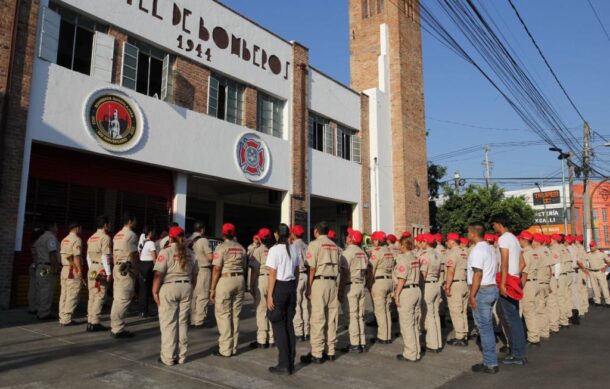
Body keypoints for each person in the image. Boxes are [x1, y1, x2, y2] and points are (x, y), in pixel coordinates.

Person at [153, 226, 198, 366]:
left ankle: (168, 357)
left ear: (170, 238)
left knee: (169, 323)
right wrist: (190, 288)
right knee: (183, 322)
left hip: (169, 286)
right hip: (186, 286)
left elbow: (158, 274)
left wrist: (154, 291)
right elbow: (195, 275)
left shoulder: (166, 252)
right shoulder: (191, 253)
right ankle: (182, 356)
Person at [301, 221, 340, 364]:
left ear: (316, 231)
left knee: (317, 318)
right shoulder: (335, 246)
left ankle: (317, 353)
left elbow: (311, 268)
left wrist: (309, 287)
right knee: (331, 318)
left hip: (319, 282)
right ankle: (330, 351)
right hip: (333, 282)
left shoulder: (314, 244)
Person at [492, 214, 527, 365]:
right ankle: (517, 351)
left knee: (511, 319)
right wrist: (515, 277)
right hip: (514, 279)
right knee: (515, 318)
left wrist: (503, 284)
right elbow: (523, 263)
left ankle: (517, 354)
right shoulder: (514, 238)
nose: (493, 228)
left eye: (493, 225)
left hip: (507, 281)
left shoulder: (503, 239)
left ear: (499, 224)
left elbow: (504, 262)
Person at [266, 224, 300, 375]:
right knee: (288, 325)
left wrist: (269, 296)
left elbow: (272, 274)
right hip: (291, 287)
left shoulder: (274, 250)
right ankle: (290, 362)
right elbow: (297, 270)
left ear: (276, 234)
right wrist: (294, 287)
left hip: (279, 288)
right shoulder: (294, 248)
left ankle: (284, 364)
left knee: (278, 325)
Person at [210, 223, 247, 357]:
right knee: (235, 315)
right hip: (240, 279)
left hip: (226, 280)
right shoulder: (241, 248)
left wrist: (212, 288)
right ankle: (234, 347)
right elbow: (244, 265)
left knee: (223, 314)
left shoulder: (221, 248)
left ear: (223, 233)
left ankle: (225, 349)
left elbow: (216, 269)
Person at [467, 223, 499, 374]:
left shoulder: (478, 249)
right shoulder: (489, 247)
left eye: (468, 232)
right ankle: (490, 359)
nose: (467, 234)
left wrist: (472, 295)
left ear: (473, 234)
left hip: (482, 290)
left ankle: (490, 363)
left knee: (484, 328)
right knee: (487, 327)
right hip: (491, 287)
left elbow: (477, 274)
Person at [339, 228, 368, 353]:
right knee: (360, 316)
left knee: (352, 316)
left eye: (348, 236)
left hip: (350, 286)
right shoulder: (363, 253)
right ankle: (362, 342)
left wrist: (340, 290)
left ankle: (354, 344)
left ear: (351, 239)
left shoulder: (347, 253)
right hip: (361, 285)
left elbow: (344, 273)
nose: (346, 237)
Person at [394, 235, 422, 362]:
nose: (398, 246)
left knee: (407, 324)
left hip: (407, 291)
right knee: (414, 323)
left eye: (399, 244)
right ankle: (416, 351)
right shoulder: (414, 257)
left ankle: (410, 353)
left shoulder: (404, 259)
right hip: (416, 289)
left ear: (403, 245)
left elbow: (402, 278)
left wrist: (396, 294)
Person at [111, 212, 139, 338]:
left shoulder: (117, 235)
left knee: (117, 299)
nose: (135, 222)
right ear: (130, 221)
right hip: (127, 269)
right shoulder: (131, 235)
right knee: (124, 299)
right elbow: (133, 255)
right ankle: (118, 329)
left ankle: (115, 326)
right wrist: (136, 270)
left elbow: (113, 254)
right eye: (134, 220)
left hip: (117, 267)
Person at [249, 227, 275, 348]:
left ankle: (261, 339)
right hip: (273, 278)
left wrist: (251, 285)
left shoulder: (258, 250)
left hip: (262, 279)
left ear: (260, 237)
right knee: (271, 308)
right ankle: (271, 338)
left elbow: (254, 269)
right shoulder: (274, 250)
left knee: (261, 310)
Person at [86, 216, 112, 332]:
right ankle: (95, 322)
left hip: (92, 268)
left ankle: (90, 321)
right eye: (109, 224)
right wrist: (108, 272)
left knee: (92, 295)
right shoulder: (105, 238)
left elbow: (87, 257)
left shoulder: (91, 238)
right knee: (100, 295)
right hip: (101, 267)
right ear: (105, 225)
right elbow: (105, 256)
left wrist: (92, 268)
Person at [369, 231, 395, 344]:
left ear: (378, 240)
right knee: (387, 310)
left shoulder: (377, 251)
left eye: (374, 239)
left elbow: (372, 269)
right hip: (389, 280)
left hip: (379, 281)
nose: (373, 241)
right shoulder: (388, 250)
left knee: (380, 311)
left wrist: (369, 283)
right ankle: (388, 335)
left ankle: (382, 337)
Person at [444, 232, 469, 346]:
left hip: (455, 284)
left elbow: (450, 271)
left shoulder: (452, 253)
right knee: (463, 311)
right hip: (464, 283)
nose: (446, 243)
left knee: (456, 311)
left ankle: (460, 336)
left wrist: (447, 286)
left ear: (452, 241)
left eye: (448, 241)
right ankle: (464, 333)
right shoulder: (463, 252)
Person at [419, 233, 442, 353]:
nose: (420, 243)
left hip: (427, 284)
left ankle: (432, 344)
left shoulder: (425, 255)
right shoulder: (437, 254)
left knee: (429, 315)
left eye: (421, 241)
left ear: (425, 242)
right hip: (436, 284)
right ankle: (437, 342)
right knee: (435, 314)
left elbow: (423, 274)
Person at [32, 223, 60, 320]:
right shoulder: (50, 238)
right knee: (47, 290)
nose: (57, 228)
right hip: (48, 266)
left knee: (41, 289)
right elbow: (52, 253)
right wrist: (55, 267)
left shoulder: (40, 238)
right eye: (56, 226)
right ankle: (44, 313)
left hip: (41, 266)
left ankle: (40, 310)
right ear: (52, 227)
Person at [189, 222, 214, 328]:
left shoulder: (188, 239)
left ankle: (192, 320)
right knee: (203, 295)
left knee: (194, 295)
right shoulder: (203, 240)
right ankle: (199, 321)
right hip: (203, 269)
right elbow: (210, 257)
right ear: (202, 229)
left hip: (192, 270)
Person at [58, 222, 83, 326]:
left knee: (64, 293)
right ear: (77, 228)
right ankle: (67, 319)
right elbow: (76, 257)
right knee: (73, 294)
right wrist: (80, 270)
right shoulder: (77, 239)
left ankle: (62, 316)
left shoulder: (64, 239)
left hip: (64, 269)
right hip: (72, 270)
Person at [518, 231, 540, 345]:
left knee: (528, 312)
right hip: (535, 282)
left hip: (527, 284)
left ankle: (533, 338)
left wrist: (519, 288)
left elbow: (524, 273)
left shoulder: (526, 254)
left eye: (520, 239)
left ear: (524, 240)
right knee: (533, 311)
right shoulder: (535, 253)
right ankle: (535, 334)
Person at [531, 233, 553, 339]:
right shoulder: (546, 250)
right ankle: (545, 330)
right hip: (545, 281)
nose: (532, 243)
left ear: (536, 242)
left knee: (539, 309)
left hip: (539, 282)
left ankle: (542, 332)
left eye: (533, 241)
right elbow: (550, 268)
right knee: (543, 307)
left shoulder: (537, 252)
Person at [291, 225, 310, 341]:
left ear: (293, 234)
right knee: (305, 305)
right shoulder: (306, 245)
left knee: (297, 305)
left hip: (298, 275)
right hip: (306, 275)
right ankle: (307, 331)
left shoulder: (293, 246)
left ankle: (298, 332)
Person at [139, 227, 157, 318]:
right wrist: (157, 268)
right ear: (149, 233)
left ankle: (142, 310)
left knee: (142, 289)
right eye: (153, 232)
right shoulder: (151, 243)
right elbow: (154, 258)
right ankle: (145, 311)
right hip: (149, 266)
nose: (154, 234)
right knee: (147, 289)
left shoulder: (142, 242)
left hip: (142, 265)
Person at [28, 227, 45, 314]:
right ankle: (37, 307)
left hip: (33, 265)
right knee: (39, 288)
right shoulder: (39, 243)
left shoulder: (33, 243)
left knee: (32, 287)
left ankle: (32, 306)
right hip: (38, 266)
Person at [588, 241, 610, 307]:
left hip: (600, 272)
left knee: (604, 287)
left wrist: (605, 267)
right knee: (595, 287)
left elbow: (609, 261)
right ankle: (597, 301)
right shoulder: (588, 254)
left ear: (595, 246)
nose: (591, 247)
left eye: (592, 246)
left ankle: (608, 302)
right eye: (590, 246)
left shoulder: (601, 254)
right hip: (592, 272)